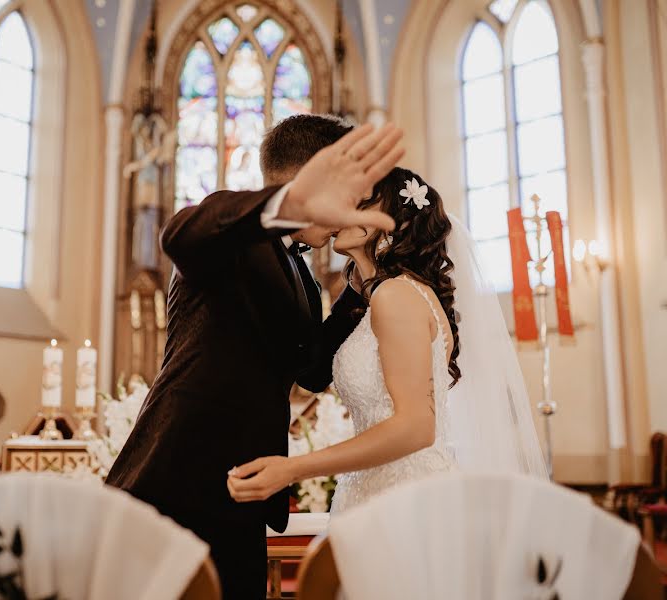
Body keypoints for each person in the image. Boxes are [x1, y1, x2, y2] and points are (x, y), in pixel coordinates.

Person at [105, 115, 404, 599]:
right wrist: (289, 206)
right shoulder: (230, 238)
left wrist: (359, 291)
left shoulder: (304, 276)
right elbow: (181, 234)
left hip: (243, 492)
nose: (351, 211)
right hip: (177, 481)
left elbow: (309, 371)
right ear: (306, 179)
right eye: (347, 193)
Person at [227, 167, 548, 513]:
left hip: (406, 502)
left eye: (358, 205)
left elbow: (415, 428)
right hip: (376, 491)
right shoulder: (386, 297)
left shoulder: (396, 295)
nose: (341, 213)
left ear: (389, 226)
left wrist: (291, 469)